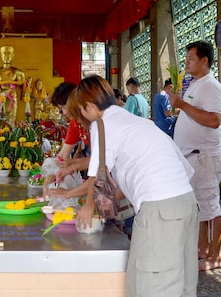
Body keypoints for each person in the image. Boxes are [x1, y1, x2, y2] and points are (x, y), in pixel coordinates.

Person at [68, 75, 198, 297]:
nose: (82, 121)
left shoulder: (102, 124)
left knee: (152, 286)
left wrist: (88, 207)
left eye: (80, 114)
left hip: (160, 212)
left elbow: (96, 175)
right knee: (183, 281)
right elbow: (135, 179)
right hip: (186, 204)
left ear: (88, 107)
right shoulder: (133, 121)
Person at [169, 40, 221, 272]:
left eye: (191, 58)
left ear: (205, 60)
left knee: (211, 207)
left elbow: (214, 120)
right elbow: (192, 113)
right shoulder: (194, 84)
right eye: (186, 59)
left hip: (204, 157)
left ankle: (216, 255)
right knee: (198, 206)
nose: (187, 63)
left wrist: (182, 104)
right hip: (191, 157)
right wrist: (180, 105)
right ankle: (201, 249)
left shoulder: (211, 86)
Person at [0, 45, 26, 121]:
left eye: (9, 53)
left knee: (11, 118)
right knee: (0, 118)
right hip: (1, 96)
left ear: (13, 56)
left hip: (12, 97)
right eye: (4, 53)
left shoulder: (18, 72)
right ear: (1, 55)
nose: (7, 56)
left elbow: (23, 86)